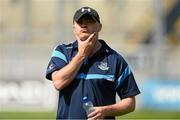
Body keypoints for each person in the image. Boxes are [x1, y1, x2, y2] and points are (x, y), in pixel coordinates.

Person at [46, 6, 140, 119]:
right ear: (74, 27)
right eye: (80, 22)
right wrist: (81, 54)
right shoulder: (62, 52)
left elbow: (130, 103)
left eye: (90, 21)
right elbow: (58, 83)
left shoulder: (115, 59)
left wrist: (105, 111)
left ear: (99, 27)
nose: (84, 25)